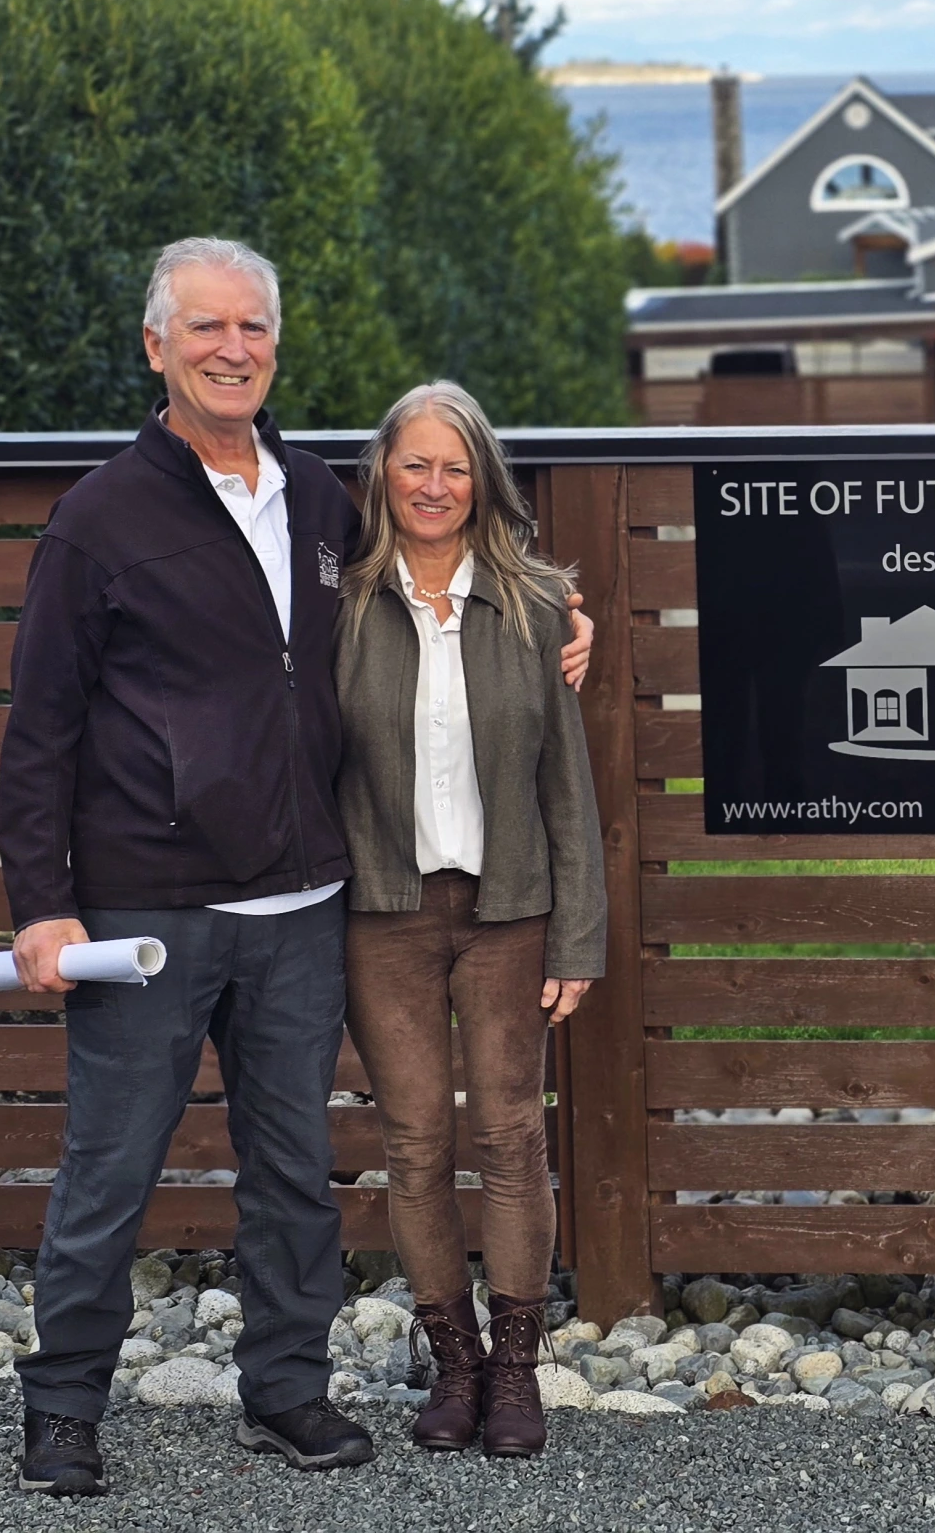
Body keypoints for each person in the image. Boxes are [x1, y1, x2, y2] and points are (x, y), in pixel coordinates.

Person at [0, 238, 592, 1497]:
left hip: (303, 906)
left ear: (275, 346)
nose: (231, 349)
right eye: (205, 327)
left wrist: (561, 620)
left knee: (291, 1176)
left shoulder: (322, 499)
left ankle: (285, 1394)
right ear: (156, 346)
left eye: (252, 327)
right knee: (110, 1168)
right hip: (146, 909)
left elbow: (456, 560)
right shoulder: (99, 519)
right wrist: (41, 904)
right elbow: (40, 726)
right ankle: (62, 1415)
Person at [335, 382, 605, 1457]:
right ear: (383, 477)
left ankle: (515, 1370)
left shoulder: (536, 604)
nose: (434, 485)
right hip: (382, 912)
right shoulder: (342, 599)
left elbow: (566, 788)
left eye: (455, 467)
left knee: (508, 1134)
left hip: (508, 910)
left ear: (483, 479)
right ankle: (451, 1364)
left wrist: (577, 934)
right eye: (414, 465)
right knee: (412, 1143)